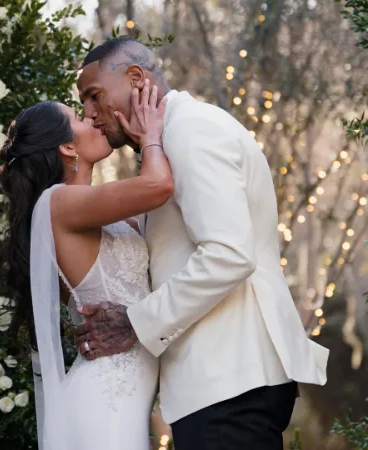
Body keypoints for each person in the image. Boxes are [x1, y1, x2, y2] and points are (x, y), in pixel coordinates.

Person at [75, 37, 330, 450]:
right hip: (222, 383)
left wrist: (136, 321)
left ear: (136, 77)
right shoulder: (169, 141)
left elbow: (228, 255)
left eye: (94, 95)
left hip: (229, 382)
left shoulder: (191, 130)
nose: (89, 112)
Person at [0, 89, 172, 450]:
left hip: (122, 400)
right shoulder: (57, 202)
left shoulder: (92, 209)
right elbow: (158, 185)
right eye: (78, 117)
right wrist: (150, 137)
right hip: (105, 404)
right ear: (67, 148)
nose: (91, 119)